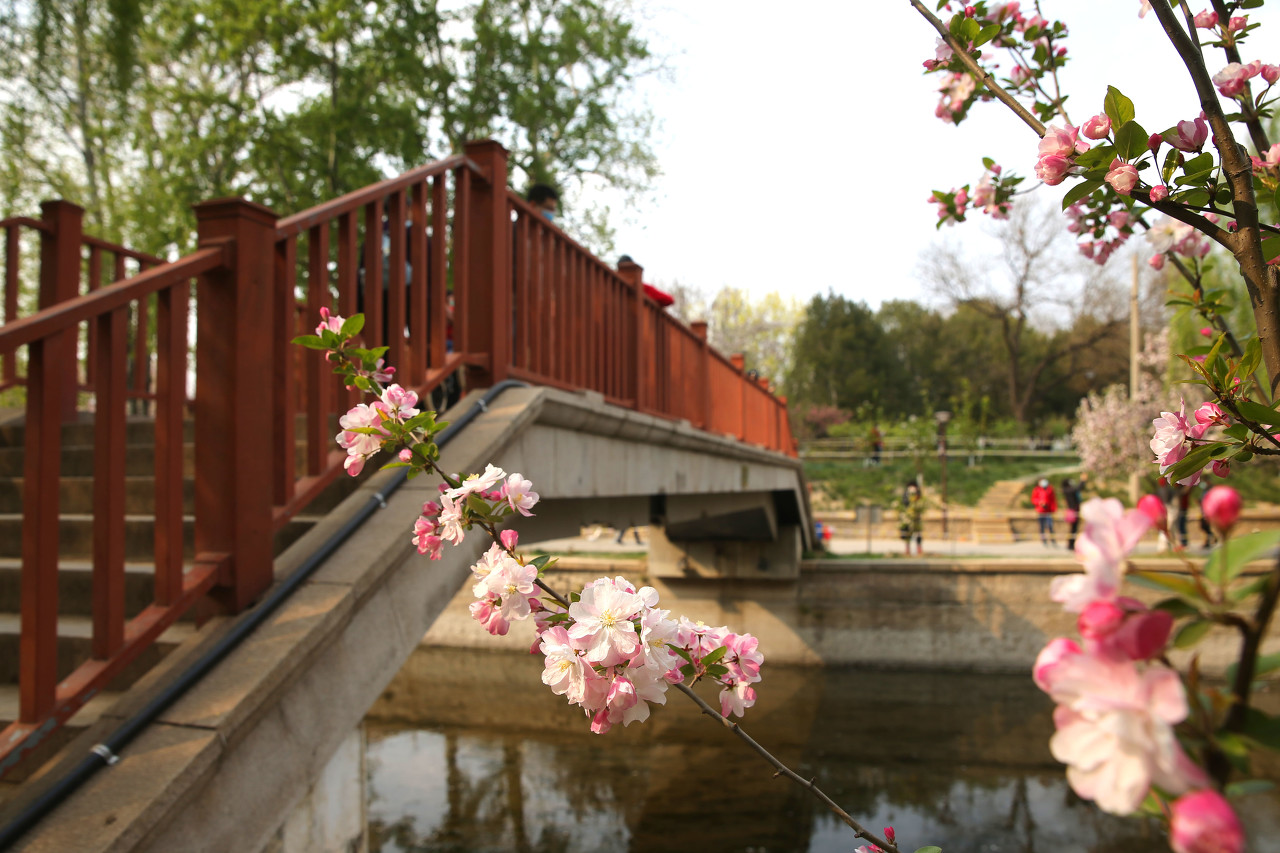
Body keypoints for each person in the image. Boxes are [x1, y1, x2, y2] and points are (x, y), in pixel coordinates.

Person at [899, 481, 925, 556]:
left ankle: (919, 549)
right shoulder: (906, 494)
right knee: (907, 534)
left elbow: (921, 504)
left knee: (918, 534)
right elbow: (904, 503)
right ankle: (907, 550)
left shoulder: (918, 495)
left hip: (916, 518)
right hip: (907, 517)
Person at [1031, 478, 1057, 546]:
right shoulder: (1037, 489)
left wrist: (1053, 508)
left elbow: (1053, 500)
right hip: (1041, 511)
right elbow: (1033, 499)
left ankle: (1053, 540)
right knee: (1042, 526)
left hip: (1048, 511)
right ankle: (1043, 540)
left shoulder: (1050, 489)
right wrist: (1040, 503)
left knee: (1050, 526)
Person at [1061, 477, 1083, 550]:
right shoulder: (1068, 490)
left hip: (1074, 510)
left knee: (1074, 529)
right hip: (1072, 511)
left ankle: (1071, 544)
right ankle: (1070, 544)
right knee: (1073, 529)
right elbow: (1078, 488)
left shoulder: (1068, 490)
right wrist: (1082, 481)